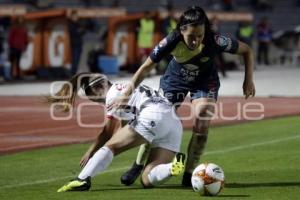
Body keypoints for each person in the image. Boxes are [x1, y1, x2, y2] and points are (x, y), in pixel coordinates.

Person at [114, 6, 255, 187]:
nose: (196, 41)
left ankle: (189, 174)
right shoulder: (171, 40)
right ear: (182, 31)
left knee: (203, 118)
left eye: (200, 36)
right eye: (191, 36)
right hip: (175, 80)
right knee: (156, 119)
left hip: (205, 81)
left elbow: (247, 50)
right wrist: (127, 93)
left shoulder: (216, 40)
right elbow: (146, 67)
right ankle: (138, 164)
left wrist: (248, 80)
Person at [48, 73, 185, 191]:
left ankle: (82, 179)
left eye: (96, 100)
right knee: (146, 179)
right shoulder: (125, 85)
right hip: (174, 123)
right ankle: (172, 167)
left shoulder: (112, 96)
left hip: (153, 115)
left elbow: (108, 133)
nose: (100, 103)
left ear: (100, 87)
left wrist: (91, 152)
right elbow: (124, 127)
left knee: (109, 147)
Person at [68, 10, 85, 75]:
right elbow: (76, 32)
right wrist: (80, 31)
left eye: (76, 16)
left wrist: (81, 30)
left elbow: (82, 31)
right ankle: (72, 73)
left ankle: (74, 72)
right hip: (73, 44)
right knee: (74, 59)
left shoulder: (78, 24)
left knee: (78, 59)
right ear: (71, 17)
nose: (75, 18)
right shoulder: (70, 24)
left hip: (79, 43)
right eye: (74, 16)